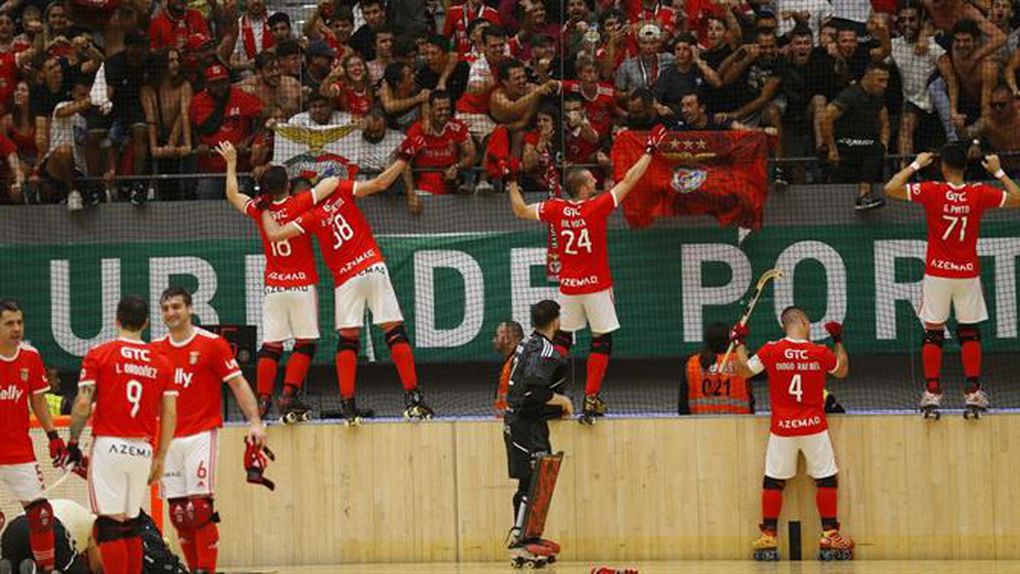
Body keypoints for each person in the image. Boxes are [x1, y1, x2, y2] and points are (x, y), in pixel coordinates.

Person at [258, 136, 436, 423]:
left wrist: (263, 207)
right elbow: (380, 184)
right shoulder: (340, 189)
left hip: (345, 279)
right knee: (394, 332)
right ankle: (413, 397)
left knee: (348, 340)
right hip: (371, 266)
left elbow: (276, 234)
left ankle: (348, 405)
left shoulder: (310, 215)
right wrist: (404, 158)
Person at [507, 125, 666, 424]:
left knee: (562, 340)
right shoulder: (596, 206)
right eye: (592, 180)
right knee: (601, 341)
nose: (596, 182)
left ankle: (546, 391)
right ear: (582, 187)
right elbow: (630, 180)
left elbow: (520, 210)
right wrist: (649, 151)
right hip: (596, 286)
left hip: (569, 288)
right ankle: (591, 399)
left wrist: (511, 181)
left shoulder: (555, 208)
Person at [883, 145, 1020, 417]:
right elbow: (1018, 198)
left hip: (937, 273)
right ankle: (973, 393)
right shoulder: (978, 193)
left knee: (933, 332)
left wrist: (916, 164)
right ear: (966, 167)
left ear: (943, 166)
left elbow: (890, 188)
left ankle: (932, 393)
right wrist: (998, 171)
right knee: (969, 333)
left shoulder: (933, 191)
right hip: (967, 273)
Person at [152, 286, 267, 574]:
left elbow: (238, 383)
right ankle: (195, 569)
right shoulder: (155, 350)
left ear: (190, 309)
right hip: (167, 439)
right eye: (165, 308)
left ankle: (207, 569)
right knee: (179, 513)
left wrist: (255, 421)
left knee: (200, 509)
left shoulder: (212, 344)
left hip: (201, 434)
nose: (170, 313)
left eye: (176, 307)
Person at [219, 141, 332, 420]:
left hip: (275, 287)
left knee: (272, 346)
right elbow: (328, 187)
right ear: (289, 185)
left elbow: (232, 194)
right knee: (305, 343)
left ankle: (262, 399)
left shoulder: (261, 210)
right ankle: (288, 395)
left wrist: (231, 163)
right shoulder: (300, 202)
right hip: (302, 285)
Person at [730, 307, 853, 561]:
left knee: (773, 482)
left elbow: (743, 371)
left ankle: (768, 537)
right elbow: (842, 370)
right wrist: (838, 340)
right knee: (826, 480)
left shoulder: (771, 350)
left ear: (785, 325)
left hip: (783, 429)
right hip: (814, 427)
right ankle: (830, 534)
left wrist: (739, 342)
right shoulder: (819, 352)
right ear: (805, 322)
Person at [66, 296, 178, 574]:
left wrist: (73, 442)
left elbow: (82, 404)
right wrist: (161, 456)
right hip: (142, 450)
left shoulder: (99, 353)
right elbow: (170, 413)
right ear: (147, 322)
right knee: (130, 524)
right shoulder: (161, 361)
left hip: (110, 447)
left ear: (116, 319)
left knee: (110, 526)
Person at [503, 300, 573, 561]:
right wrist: (562, 401)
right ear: (556, 321)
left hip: (522, 420)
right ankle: (519, 539)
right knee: (532, 480)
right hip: (524, 423)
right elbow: (533, 389)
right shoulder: (546, 350)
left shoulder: (526, 343)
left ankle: (529, 536)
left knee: (536, 479)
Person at [0, 299, 65, 574]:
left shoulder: (30, 356)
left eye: (19, 322)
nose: (16, 328)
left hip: (19, 452)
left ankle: (45, 569)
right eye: (9, 323)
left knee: (41, 515)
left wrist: (53, 435)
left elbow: (38, 401)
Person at [1, 499, 188, 574]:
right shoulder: (96, 530)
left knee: (29, 564)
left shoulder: (84, 518)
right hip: (52, 527)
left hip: (14, 529)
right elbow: (96, 556)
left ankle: (18, 567)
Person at [821, 62, 891, 211]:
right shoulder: (850, 95)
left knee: (878, 148)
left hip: (864, 144)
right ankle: (863, 195)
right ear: (868, 77)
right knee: (875, 149)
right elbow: (826, 118)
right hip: (844, 142)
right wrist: (832, 148)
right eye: (880, 80)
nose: (884, 85)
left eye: (886, 81)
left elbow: (885, 124)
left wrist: (884, 145)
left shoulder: (878, 99)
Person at [406, 90, 476, 195]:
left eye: (447, 109)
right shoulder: (417, 130)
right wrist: (410, 193)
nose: (444, 113)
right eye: (439, 109)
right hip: (425, 185)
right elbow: (405, 162)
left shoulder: (457, 127)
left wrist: (457, 167)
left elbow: (471, 155)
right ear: (430, 109)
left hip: (451, 182)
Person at [678, 322, 753, 415]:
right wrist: (740, 343)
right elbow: (762, 373)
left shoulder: (693, 364)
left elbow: (683, 407)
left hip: (702, 422)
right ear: (729, 341)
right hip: (739, 422)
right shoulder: (741, 361)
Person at [492, 320, 524, 414]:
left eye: (497, 336)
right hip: (505, 419)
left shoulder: (520, 361)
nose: (494, 340)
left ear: (508, 338)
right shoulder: (510, 361)